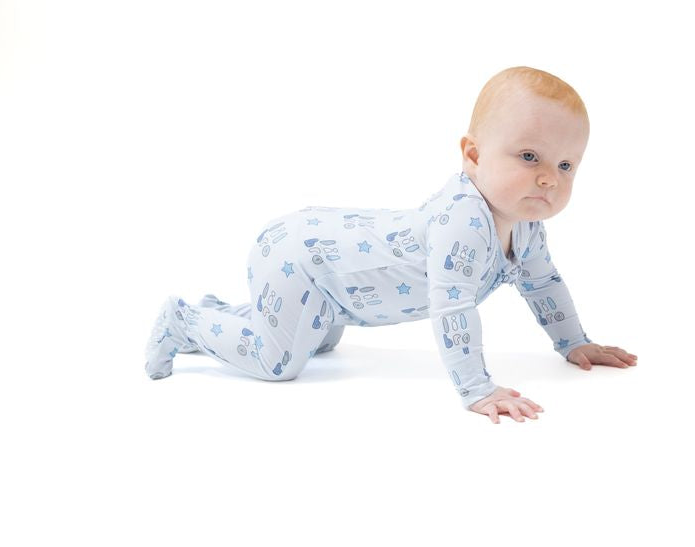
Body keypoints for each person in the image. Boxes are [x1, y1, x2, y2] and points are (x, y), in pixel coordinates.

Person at [144, 66, 637, 423]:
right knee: (278, 363)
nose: (549, 179)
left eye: (566, 166)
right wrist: (476, 390)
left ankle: (230, 317)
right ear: (473, 155)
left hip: (329, 285)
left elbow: (543, 283)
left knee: (320, 342)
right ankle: (185, 321)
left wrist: (574, 342)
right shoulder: (462, 221)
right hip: (299, 257)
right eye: (530, 156)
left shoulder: (525, 225)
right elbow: (453, 308)